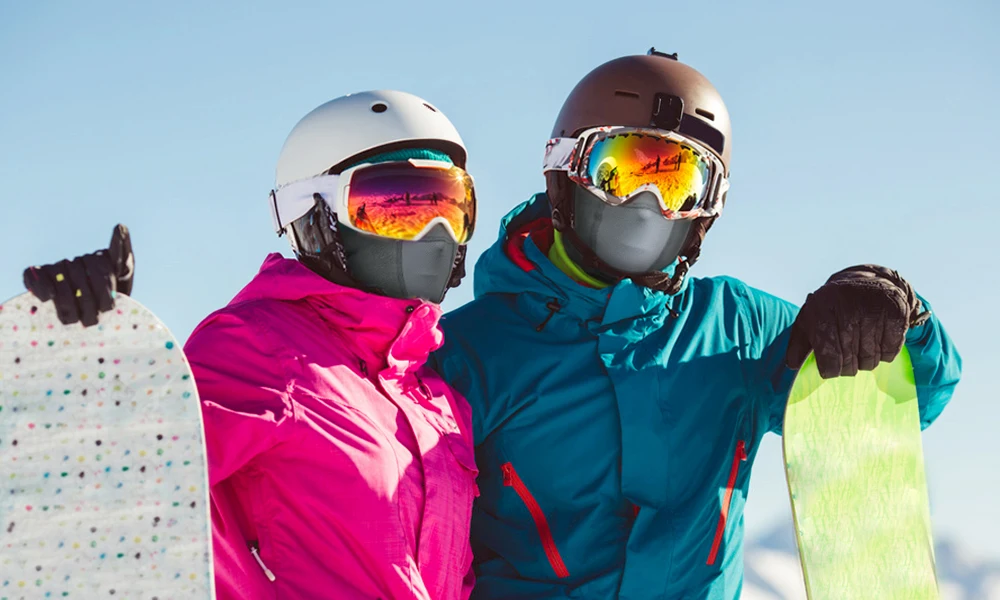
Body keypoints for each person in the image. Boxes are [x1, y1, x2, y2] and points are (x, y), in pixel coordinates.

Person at [428, 49, 962, 598]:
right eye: (622, 170)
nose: (648, 202)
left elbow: (905, 399)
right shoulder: (466, 354)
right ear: (567, 170)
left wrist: (895, 316)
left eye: (679, 183)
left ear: (708, 207)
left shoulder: (736, 329)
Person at [24, 90, 481, 599]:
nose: (433, 232)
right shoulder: (259, 347)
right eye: (393, 207)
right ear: (315, 214)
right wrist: (83, 368)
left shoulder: (439, 403)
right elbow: (123, 482)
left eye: (450, 206)